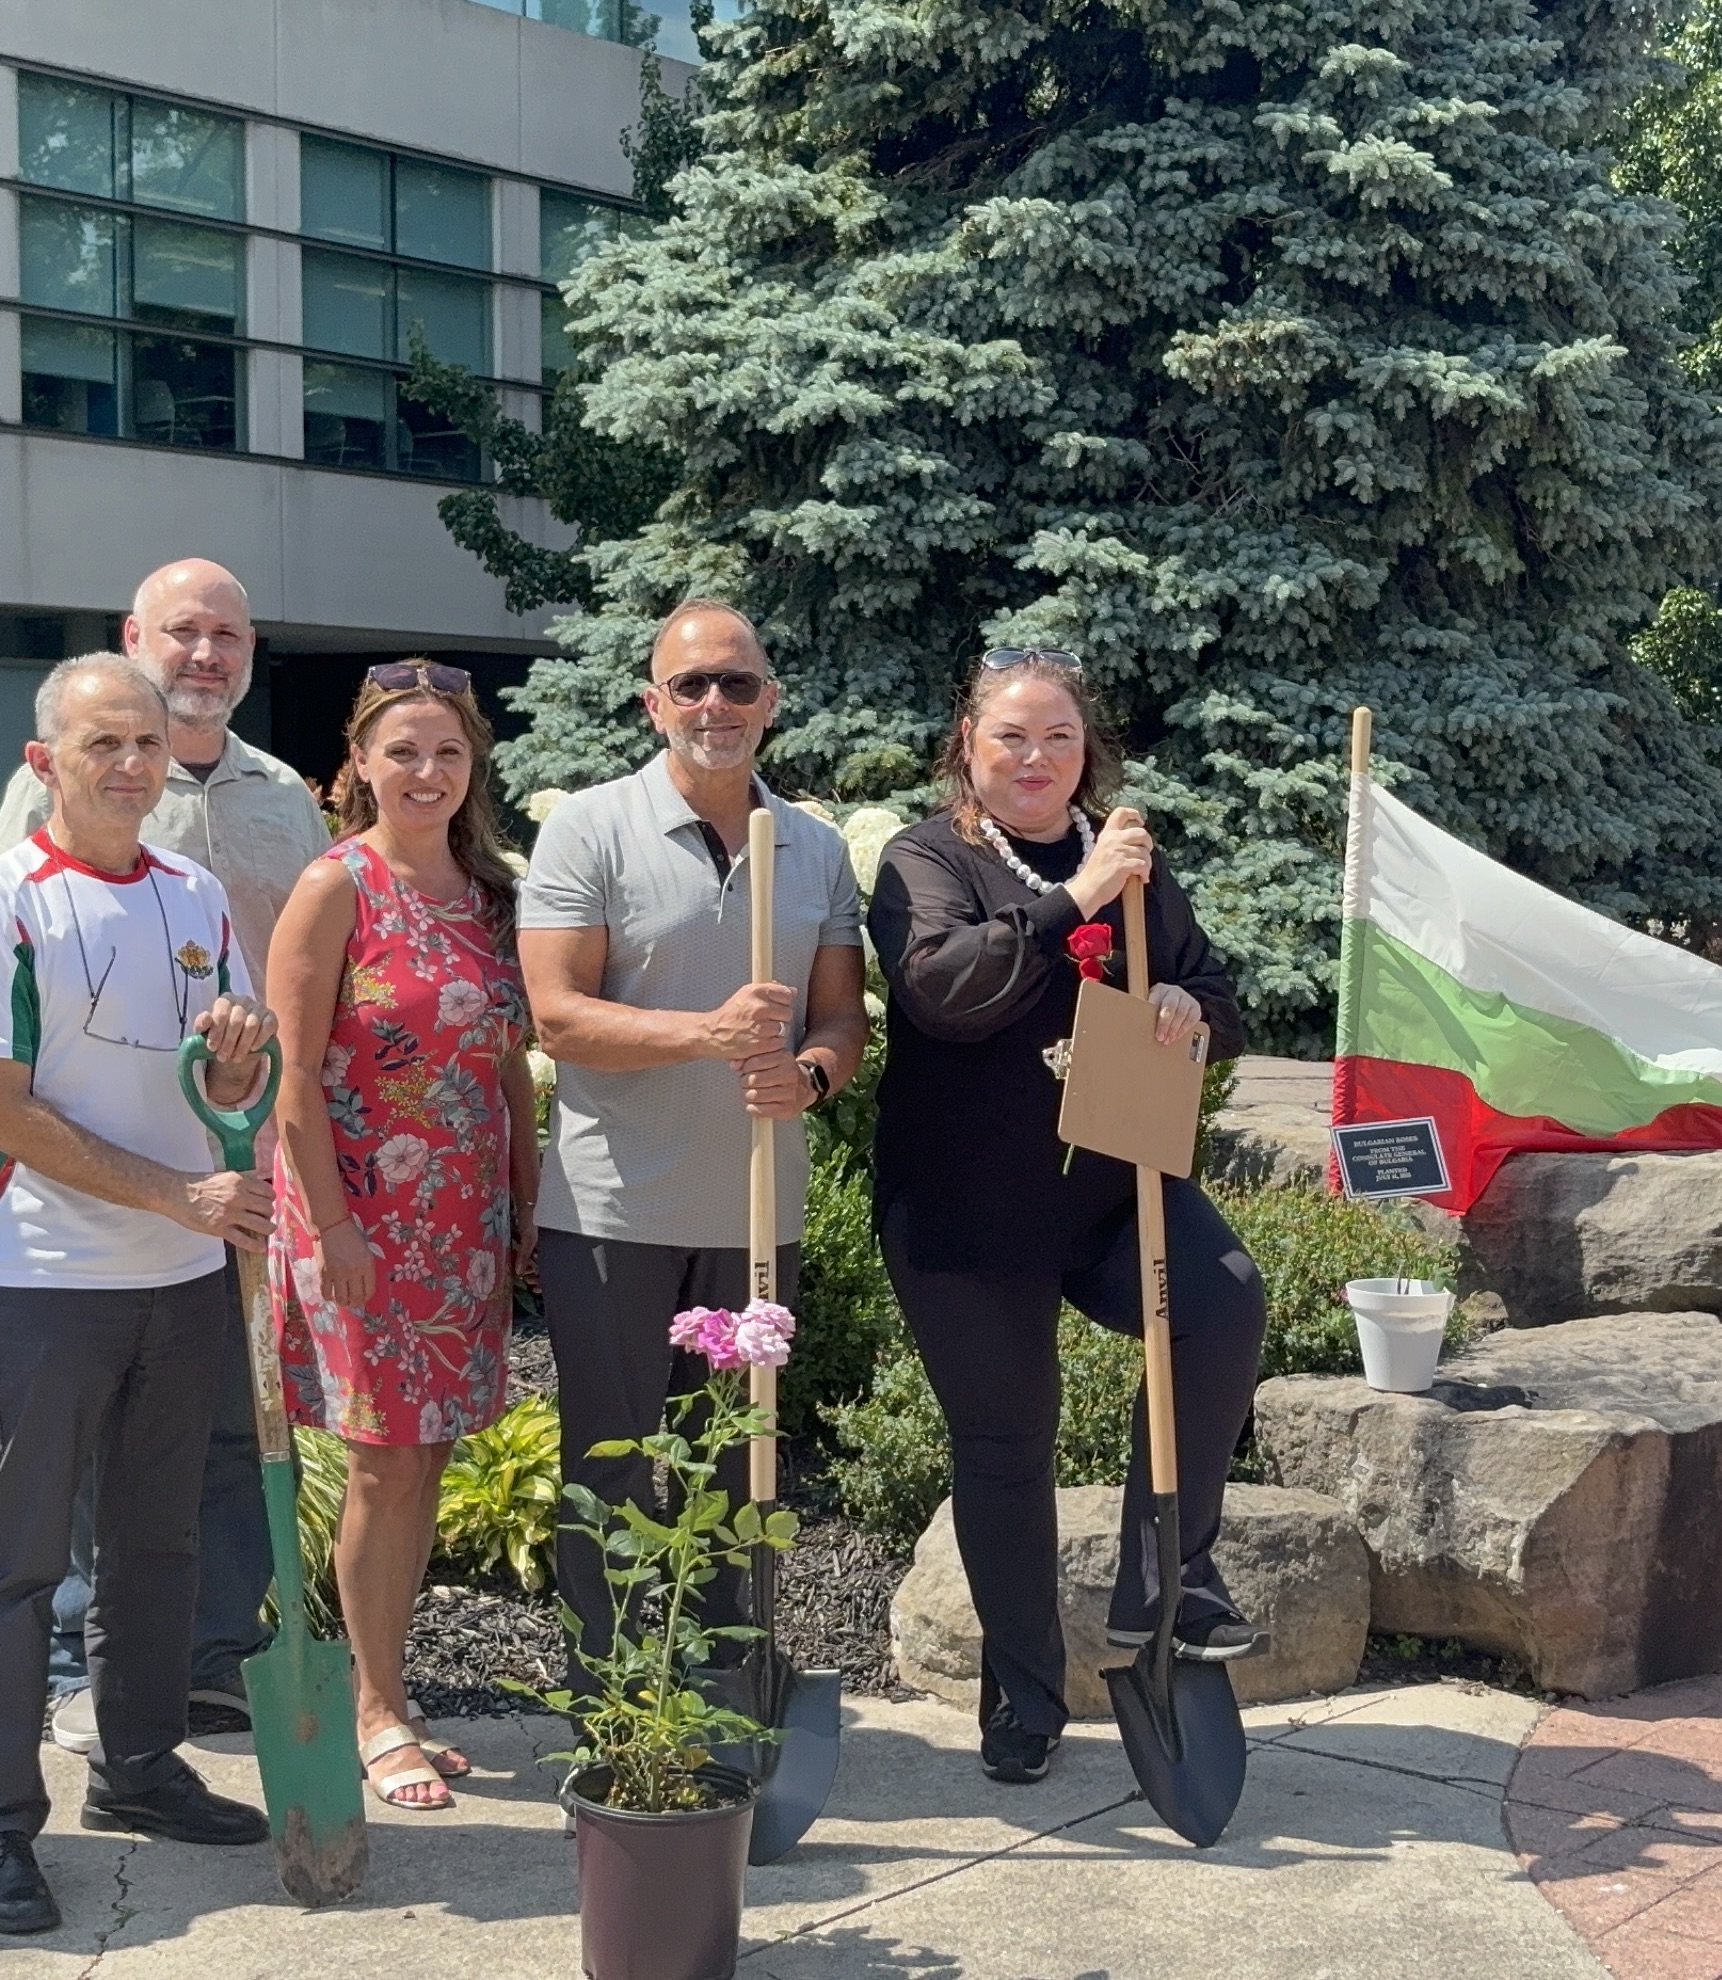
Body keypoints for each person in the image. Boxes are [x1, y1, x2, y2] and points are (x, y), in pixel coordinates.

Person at [867, 648, 1269, 1786]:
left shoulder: (1132, 863)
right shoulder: (925, 858)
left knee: (1221, 1301)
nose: (1036, 757)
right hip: (963, 1213)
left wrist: (1189, 1009)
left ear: (1087, 752)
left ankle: (1169, 1574)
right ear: (968, 750)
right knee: (1006, 1447)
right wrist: (1072, 905)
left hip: (1108, 1193)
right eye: (1010, 737)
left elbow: (1222, 1000)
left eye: (1057, 738)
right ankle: (1024, 1694)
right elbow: (944, 992)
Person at [0, 654, 278, 1934]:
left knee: (158, 1540)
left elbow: (224, 1079)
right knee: (21, 1563)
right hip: (46, 1277)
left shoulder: (192, 893)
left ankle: (135, 1770)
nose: (130, 765)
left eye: (144, 743)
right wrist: (175, 1198)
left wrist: (241, 1080)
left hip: (179, 1278)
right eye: (100, 746)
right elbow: (1, 1109)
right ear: (46, 765)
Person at [0, 557, 329, 1755]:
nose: (205, 654)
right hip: (85, 1171)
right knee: (92, 1431)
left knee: (233, 1412)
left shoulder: (283, 796)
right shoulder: (54, 786)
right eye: (181, 631)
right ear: (136, 637)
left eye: (227, 634)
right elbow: (1, 983)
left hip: (241, 1155)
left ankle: (211, 1651)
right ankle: (90, 1661)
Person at [515, 600, 869, 1692]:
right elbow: (557, 1017)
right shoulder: (589, 828)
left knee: (739, 1469)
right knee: (611, 1473)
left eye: (737, 684)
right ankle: (615, 1700)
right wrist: (706, 1036)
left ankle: (726, 1691)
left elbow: (840, 1023)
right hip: (613, 1216)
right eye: (691, 686)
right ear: (652, 702)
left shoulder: (810, 849)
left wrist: (806, 1074)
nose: (714, 704)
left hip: (754, 1215)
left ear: (769, 702)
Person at [265, 662, 537, 1811]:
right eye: (402, 752)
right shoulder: (336, 886)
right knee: (382, 1460)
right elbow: (286, 1075)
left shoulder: (490, 892)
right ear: (360, 763)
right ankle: (376, 1710)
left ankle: (395, 1689)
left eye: (447, 753)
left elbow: (512, 1060)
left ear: (472, 766)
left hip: (463, 1222)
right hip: (361, 1217)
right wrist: (331, 1224)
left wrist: (526, 1197)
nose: (426, 773)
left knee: (425, 1461)